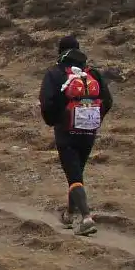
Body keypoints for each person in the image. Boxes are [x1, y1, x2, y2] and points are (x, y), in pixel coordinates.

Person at [40, 35, 113, 236]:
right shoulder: (93, 74)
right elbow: (108, 100)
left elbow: (47, 104)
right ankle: (70, 214)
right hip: (88, 131)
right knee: (77, 172)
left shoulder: (55, 74)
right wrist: (94, 119)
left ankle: (87, 218)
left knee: (73, 175)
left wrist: (57, 120)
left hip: (66, 132)